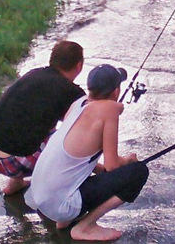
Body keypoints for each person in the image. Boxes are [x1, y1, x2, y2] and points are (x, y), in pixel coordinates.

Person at [25, 64, 149, 241]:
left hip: (39, 197)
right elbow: (112, 165)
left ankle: (66, 220)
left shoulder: (78, 104)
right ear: (116, 91)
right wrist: (128, 161)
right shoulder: (109, 109)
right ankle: (86, 226)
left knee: (98, 173)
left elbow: (75, 157)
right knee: (139, 171)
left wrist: (99, 169)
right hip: (59, 205)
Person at [0, 40, 86, 195]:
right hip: (13, 162)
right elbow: (84, 128)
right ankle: (55, 193)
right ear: (79, 66)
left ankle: (16, 183)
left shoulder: (34, 74)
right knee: (69, 137)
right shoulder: (71, 93)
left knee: (34, 123)